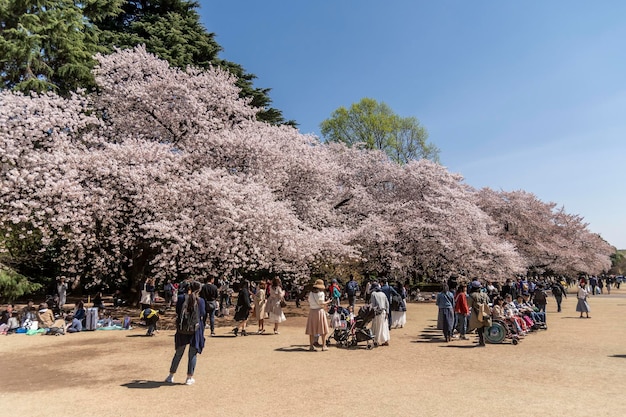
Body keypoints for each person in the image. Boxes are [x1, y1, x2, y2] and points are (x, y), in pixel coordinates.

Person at [165, 281, 206, 386]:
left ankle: (171, 375)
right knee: (192, 354)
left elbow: (178, 311)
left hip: (182, 329)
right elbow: (202, 313)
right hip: (195, 329)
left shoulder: (181, 298)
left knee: (178, 353)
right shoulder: (200, 300)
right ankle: (189, 377)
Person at [306, 279, 331, 351]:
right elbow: (321, 303)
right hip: (319, 311)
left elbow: (309, 301)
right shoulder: (321, 294)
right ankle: (324, 345)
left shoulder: (310, 293)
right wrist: (328, 302)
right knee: (323, 329)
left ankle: (311, 345)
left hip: (312, 311)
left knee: (311, 330)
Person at [467, 280, 491, 347]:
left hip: (476, 312)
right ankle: (483, 340)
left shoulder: (471, 295)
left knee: (479, 327)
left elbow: (469, 304)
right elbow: (488, 301)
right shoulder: (484, 294)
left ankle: (481, 341)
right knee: (483, 327)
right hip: (485, 312)